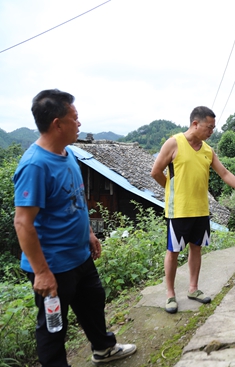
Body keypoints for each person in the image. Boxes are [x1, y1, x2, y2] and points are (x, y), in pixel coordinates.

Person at [13, 89, 136, 366]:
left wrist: (90, 234)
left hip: (78, 254)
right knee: (53, 326)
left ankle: (103, 348)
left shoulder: (66, 152)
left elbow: (76, 197)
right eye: (75, 118)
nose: (79, 124)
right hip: (53, 264)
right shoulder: (35, 165)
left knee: (93, 302)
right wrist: (42, 272)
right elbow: (22, 222)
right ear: (58, 124)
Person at [151, 106, 235, 313]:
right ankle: (170, 294)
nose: (211, 131)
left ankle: (193, 289)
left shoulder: (207, 150)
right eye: (209, 127)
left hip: (201, 209)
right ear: (195, 124)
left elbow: (225, 173)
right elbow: (156, 172)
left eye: (213, 128)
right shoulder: (174, 143)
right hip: (179, 210)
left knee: (196, 248)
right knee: (173, 251)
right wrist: (172, 189)